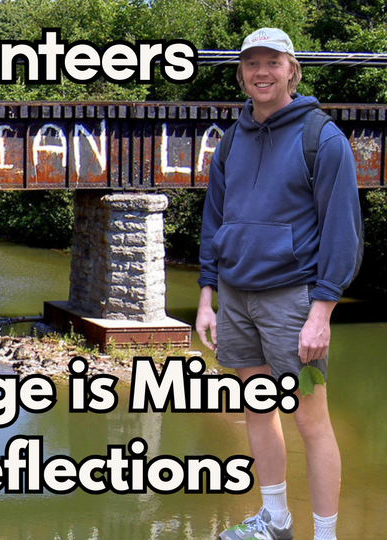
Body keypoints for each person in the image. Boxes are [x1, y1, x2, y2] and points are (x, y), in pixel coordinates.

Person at [196, 28, 363, 540]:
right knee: (257, 411)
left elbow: (343, 232)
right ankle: (275, 521)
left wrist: (322, 311)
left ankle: (327, 533)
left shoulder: (323, 138)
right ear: (241, 73)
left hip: (294, 300)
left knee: (311, 422)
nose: (261, 72)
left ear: (292, 69)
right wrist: (207, 297)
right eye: (251, 64)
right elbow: (214, 219)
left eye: (273, 62)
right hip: (238, 297)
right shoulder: (231, 141)